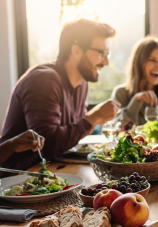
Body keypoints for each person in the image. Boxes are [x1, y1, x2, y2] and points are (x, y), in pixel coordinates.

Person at [0, 19, 120, 177]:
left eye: (107, 54)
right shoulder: (44, 80)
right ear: (76, 51)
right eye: (101, 53)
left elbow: (70, 134)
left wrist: (91, 119)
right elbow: (47, 145)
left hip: (48, 174)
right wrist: (94, 117)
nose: (106, 61)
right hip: (16, 180)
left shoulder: (81, 83)